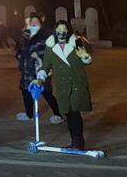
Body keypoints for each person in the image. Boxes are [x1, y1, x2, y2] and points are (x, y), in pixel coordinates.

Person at [39, 20, 93, 151]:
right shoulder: (51, 48)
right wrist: (40, 79)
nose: (61, 32)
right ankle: (74, 140)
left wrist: (84, 56)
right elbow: (45, 66)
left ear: (68, 31)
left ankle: (78, 142)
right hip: (62, 86)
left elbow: (87, 61)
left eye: (64, 29)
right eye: (59, 30)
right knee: (68, 114)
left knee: (74, 112)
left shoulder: (76, 43)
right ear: (55, 31)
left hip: (76, 84)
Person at [14, 14, 63, 124]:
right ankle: (29, 114)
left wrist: (38, 55)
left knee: (46, 92)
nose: (34, 24)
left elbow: (49, 51)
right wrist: (19, 55)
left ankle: (57, 114)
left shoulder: (45, 36)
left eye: (36, 22)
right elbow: (19, 48)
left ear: (40, 23)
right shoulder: (25, 35)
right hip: (27, 69)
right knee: (26, 91)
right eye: (32, 22)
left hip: (40, 69)